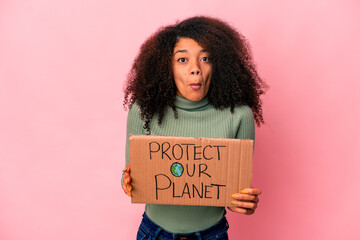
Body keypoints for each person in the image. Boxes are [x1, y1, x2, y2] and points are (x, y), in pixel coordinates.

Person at [122, 16, 267, 240]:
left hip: (212, 235)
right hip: (154, 233)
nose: (195, 69)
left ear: (219, 64)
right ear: (165, 66)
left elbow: (233, 194)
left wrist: (243, 203)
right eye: (182, 60)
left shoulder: (239, 116)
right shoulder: (143, 111)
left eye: (205, 58)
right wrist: (128, 181)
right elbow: (130, 175)